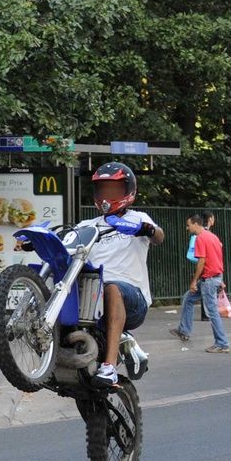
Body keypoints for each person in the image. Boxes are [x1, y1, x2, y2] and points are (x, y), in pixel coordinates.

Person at [84, 162, 165, 388]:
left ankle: (109, 367)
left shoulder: (138, 217)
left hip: (133, 300)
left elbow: (159, 237)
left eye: (114, 190)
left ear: (128, 191)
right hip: (94, 302)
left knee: (112, 287)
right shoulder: (88, 225)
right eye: (104, 190)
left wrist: (147, 230)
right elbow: (65, 241)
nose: (108, 195)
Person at [170, 213, 230, 353]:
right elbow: (217, 259)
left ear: (196, 224)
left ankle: (222, 343)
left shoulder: (200, 238)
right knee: (188, 298)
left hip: (208, 280)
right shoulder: (213, 237)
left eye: (188, 225)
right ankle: (183, 330)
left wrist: (194, 281)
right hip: (213, 277)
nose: (187, 228)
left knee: (212, 312)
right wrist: (220, 279)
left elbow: (202, 262)